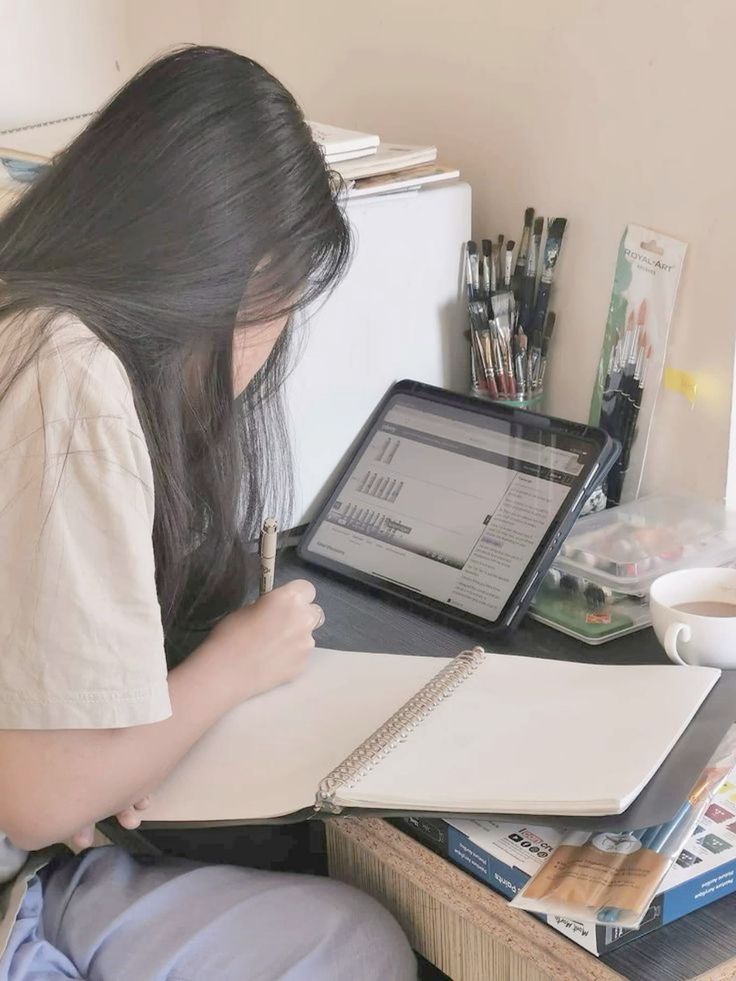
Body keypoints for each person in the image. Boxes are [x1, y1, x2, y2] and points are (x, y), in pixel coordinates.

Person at [0, 45, 416, 980]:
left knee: (348, 939)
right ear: (230, 275)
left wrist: (121, 750)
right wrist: (234, 665)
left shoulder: (29, 314)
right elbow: (30, 795)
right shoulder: (68, 373)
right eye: (280, 305)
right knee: (353, 947)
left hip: (31, 871)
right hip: (24, 867)